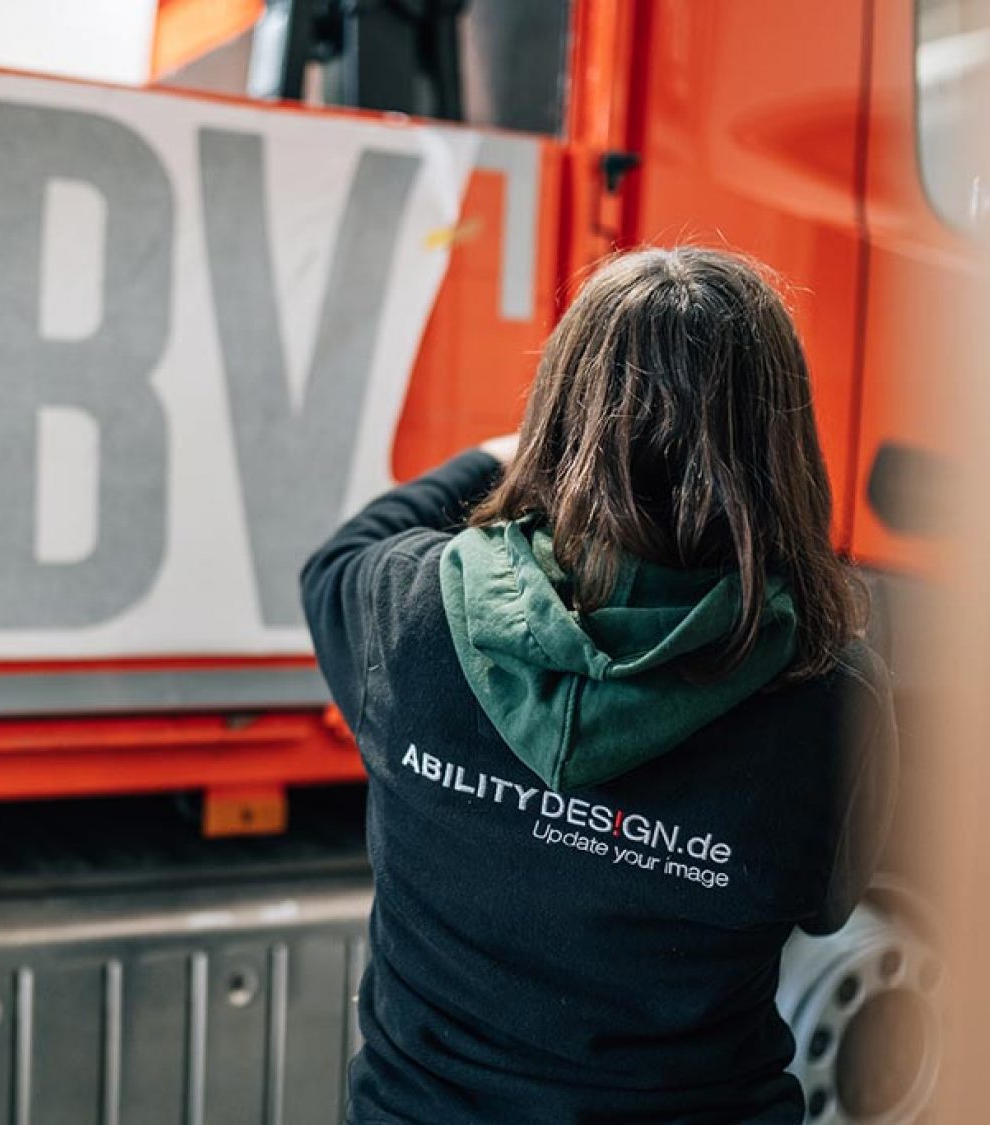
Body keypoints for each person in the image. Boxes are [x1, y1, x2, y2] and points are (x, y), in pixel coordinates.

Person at [301, 246, 897, 1124]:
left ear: (559, 417)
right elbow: (828, 901)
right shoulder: (826, 694)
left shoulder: (413, 610)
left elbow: (334, 562)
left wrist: (495, 458)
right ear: (778, 448)